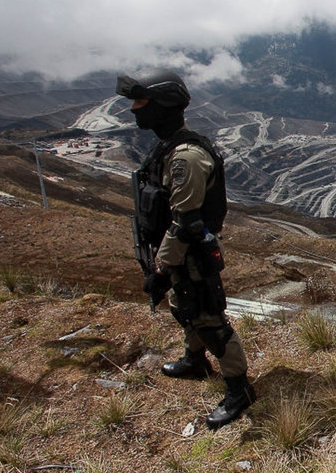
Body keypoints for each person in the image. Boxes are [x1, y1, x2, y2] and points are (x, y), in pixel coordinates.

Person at [117, 68, 256, 429]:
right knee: (184, 307)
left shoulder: (186, 158)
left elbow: (186, 223)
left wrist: (161, 269)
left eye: (141, 102)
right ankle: (195, 361)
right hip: (177, 252)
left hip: (189, 253)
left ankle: (239, 389)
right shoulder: (169, 148)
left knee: (210, 319)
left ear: (162, 105)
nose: (134, 109)